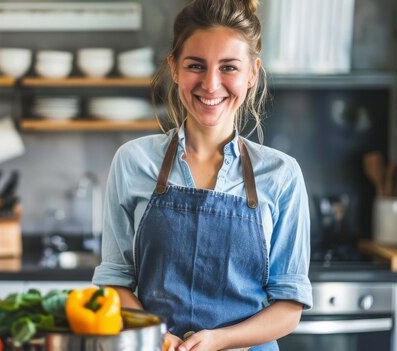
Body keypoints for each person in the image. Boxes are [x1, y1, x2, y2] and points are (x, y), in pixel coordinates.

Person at [92, 0, 312, 350]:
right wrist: (154, 334)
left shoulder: (281, 175)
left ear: (252, 73)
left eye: (229, 67)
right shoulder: (133, 161)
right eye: (196, 65)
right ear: (175, 68)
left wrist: (219, 340)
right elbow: (115, 282)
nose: (210, 84)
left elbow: (289, 306)